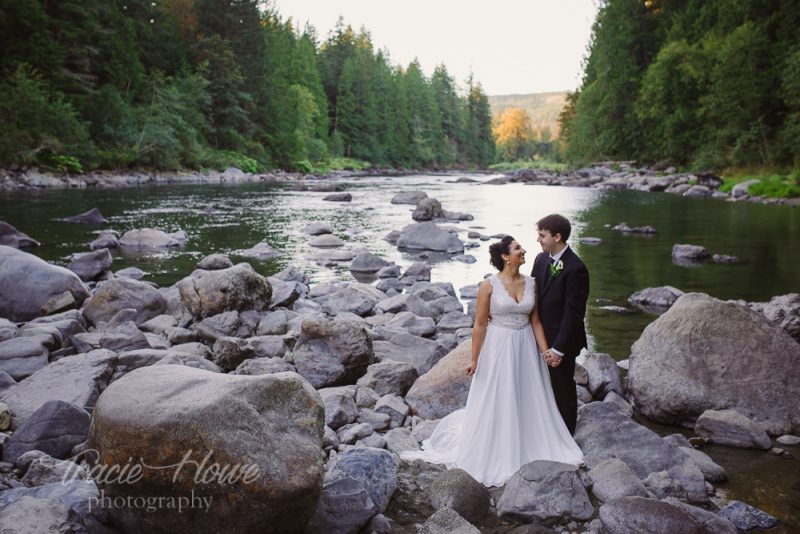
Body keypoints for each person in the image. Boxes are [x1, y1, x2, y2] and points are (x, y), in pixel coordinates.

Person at [401, 235, 583, 487]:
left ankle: (529, 441)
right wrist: (474, 359)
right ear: (506, 257)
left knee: (527, 395)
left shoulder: (531, 283)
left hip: (526, 347)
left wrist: (545, 352)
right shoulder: (488, 286)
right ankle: (498, 448)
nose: (524, 250)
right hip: (498, 346)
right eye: (518, 248)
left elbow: (536, 321)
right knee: (499, 395)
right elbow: (479, 325)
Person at [532, 214, 590, 435]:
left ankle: (567, 435)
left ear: (557, 237)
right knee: (541, 385)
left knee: (562, 387)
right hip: (540, 336)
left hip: (562, 341)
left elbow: (574, 314)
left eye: (542, 235)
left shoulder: (576, 268)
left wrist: (558, 349)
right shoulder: (541, 259)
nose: (539, 240)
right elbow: (531, 294)